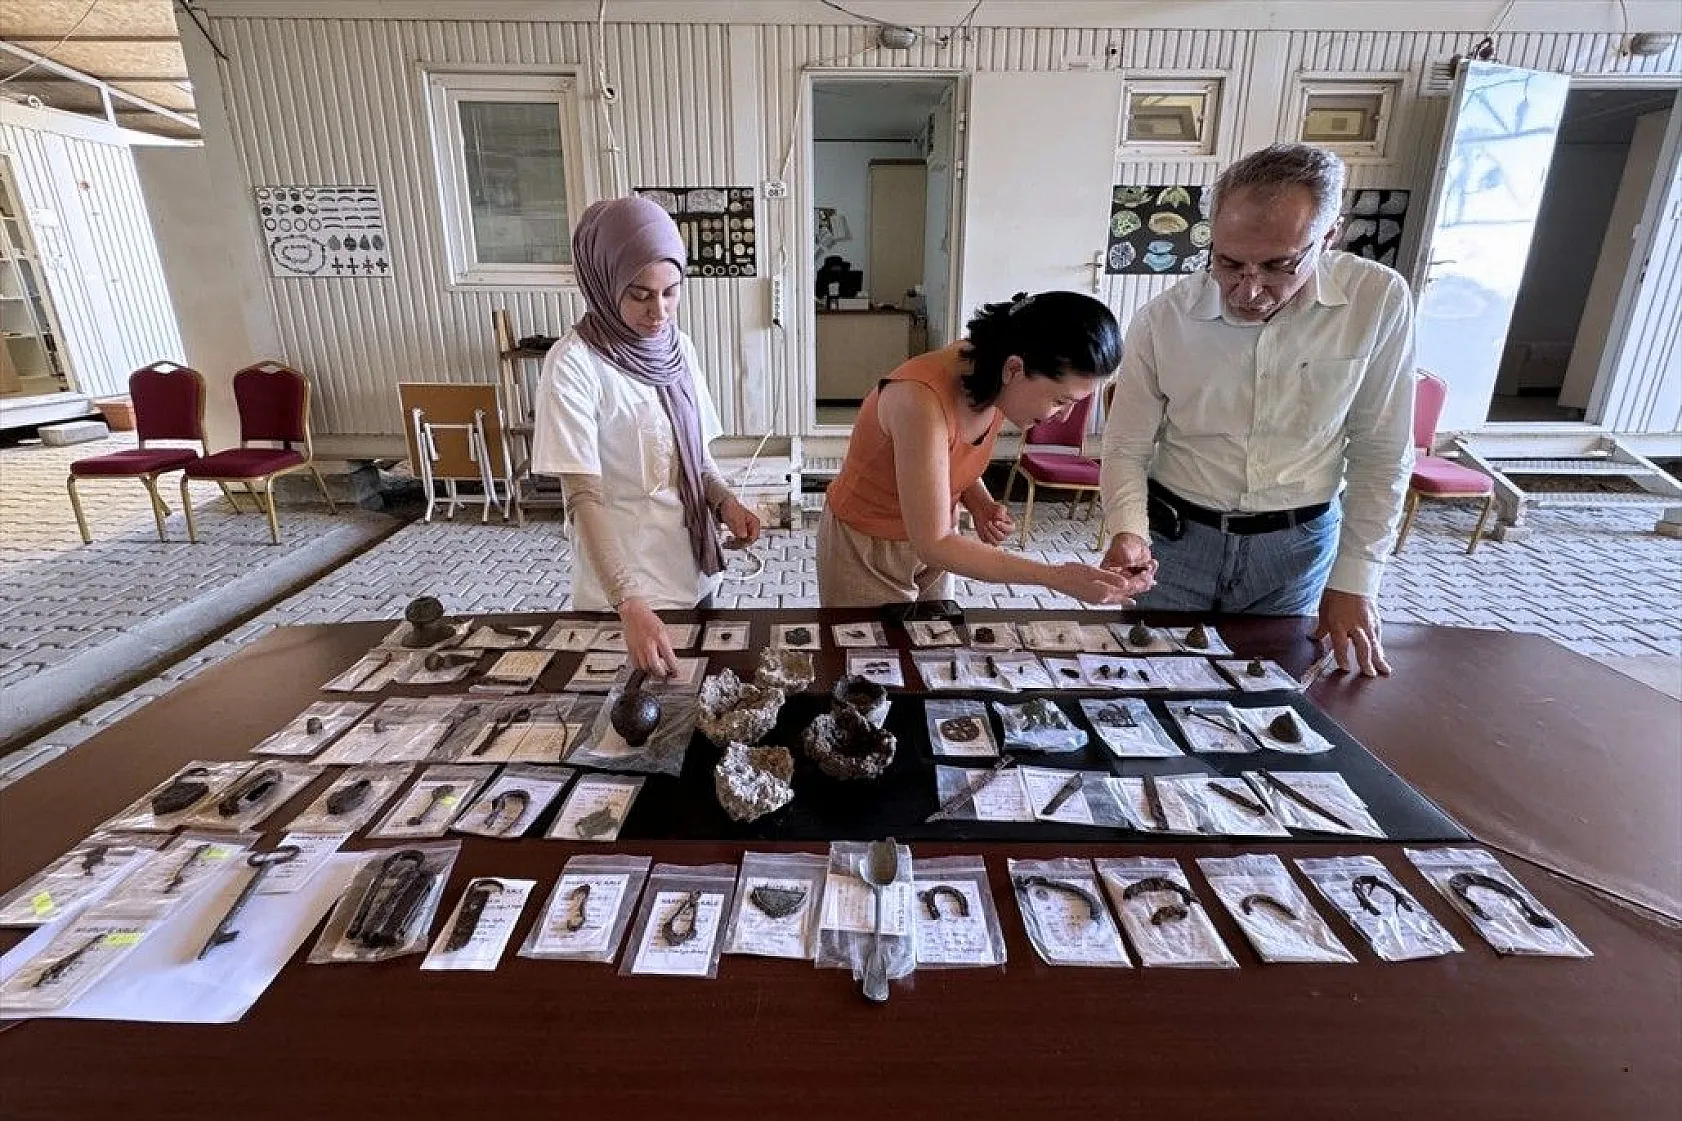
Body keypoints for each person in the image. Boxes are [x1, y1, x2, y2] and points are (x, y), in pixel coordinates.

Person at [1098, 143, 1414, 677]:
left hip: (1295, 550)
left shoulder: (1377, 300)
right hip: (1176, 544)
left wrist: (1357, 577)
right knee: (1152, 686)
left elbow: (1382, 448)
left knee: (1271, 694)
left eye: (1278, 266)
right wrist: (1128, 530)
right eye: (1227, 262)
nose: (1248, 289)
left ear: (1330, 236)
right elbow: (1126, 446)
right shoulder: (1163, 320)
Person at [532, 196, 761, 675]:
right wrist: (628, 602)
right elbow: (582, 500)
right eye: (640, 294)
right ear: (603, 282)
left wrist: (725, 503)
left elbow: (695, 458)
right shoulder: (574, 364)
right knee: (630, 726)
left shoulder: (677, 348)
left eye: (671, 292)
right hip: (626, 596)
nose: (659, 311)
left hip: (694, 577)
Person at [818, 291, 1150, 608]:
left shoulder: (992, 369)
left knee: (933, 647)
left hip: (933, 539)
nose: (1063, 416)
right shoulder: (919, 400)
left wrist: (977, 500)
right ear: (1015, 368)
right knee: (870, 659)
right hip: (867, 547)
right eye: (1060, 401)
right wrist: (1056, 577)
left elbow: (943, 457)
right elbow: (934, 543)